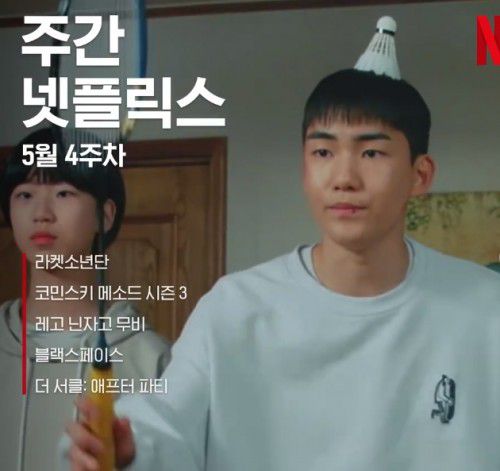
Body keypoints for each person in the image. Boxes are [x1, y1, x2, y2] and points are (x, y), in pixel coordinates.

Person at [64, 18, 500, 471]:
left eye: (371, 153)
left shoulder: (486, 308)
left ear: (420, 175)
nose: (344, 178)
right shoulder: (235, 309)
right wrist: (129, 450)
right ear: (304, 169)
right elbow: (164, 425)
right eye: (323, 152)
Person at [0, 126, 171, 471]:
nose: (41, 213)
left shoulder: (151, 359)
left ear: (104, 216)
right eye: (25, 195)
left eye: (63, 193)